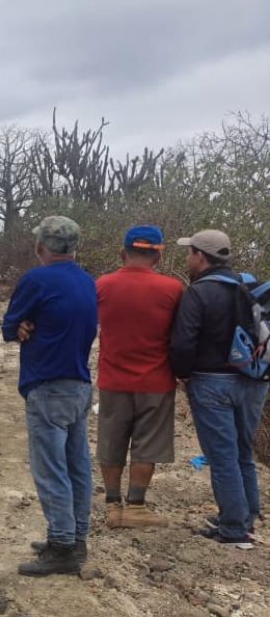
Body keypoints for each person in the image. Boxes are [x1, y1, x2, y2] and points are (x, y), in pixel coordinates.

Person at [1, 216, 97, 576]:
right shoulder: (87, 281)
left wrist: (22, 325)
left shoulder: (37, 279)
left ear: (41, 245)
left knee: (51, 469)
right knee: (77, 467)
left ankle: (61, 547)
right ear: (75, 247)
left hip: (48, 385)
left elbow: (10, 326)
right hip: (80, 384)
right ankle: (76, 538)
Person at [171, 230, 269, 550]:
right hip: (254, 384)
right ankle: (244, 516)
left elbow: (183, 343)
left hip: (211, 383)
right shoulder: (248, 285)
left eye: (190, 253)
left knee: (222, 457)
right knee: (243, 452)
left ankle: (232, 529)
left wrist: (182, 375)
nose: (188, 259)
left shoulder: (198, 293)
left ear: (201, 256)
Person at [94, 225, 183, 529]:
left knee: (111, 439)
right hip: (155, 381)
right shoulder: (172, 289)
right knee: (148, 444)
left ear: (123, 252)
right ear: (158, 255)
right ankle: (136, 506)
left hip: (112, 379)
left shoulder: (102, 285)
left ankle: (112, 505)